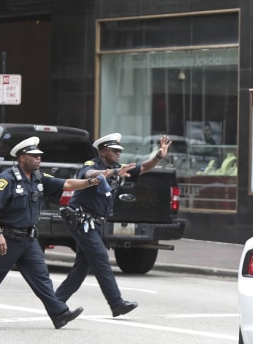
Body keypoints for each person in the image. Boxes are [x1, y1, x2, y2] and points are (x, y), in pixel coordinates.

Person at [0, 137, 101, 329]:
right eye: (34, 156)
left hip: (28, 239)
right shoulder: (7, 179)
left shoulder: (38, 177)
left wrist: (91, 182)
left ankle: (59, 314)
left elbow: (68, 184)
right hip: (8, 238)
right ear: (22, 158)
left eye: (40, 156)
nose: (39, 159)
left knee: (42, 278)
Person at [55, 132, 172, 316]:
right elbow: (89, 174)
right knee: (101, 259)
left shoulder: (119, 167)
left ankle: (56, 302)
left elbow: (143, 168)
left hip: (97, 223)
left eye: (119, 150)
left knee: (82, 267)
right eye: (114, 150)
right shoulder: (92, 165)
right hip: (81, 221)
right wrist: (111, 173)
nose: (118, 153)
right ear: (102, 152)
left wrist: (158, 156)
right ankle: (116, 303)